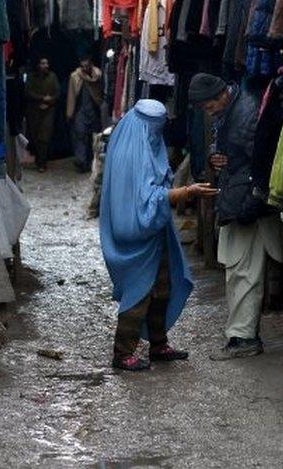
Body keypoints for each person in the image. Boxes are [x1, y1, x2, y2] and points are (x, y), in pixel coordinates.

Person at [99, 99, 217, 371]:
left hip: (155, 231)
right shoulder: (132, 154)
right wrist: (185, 193)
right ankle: (122, 352)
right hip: (135, 235)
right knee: (139, 291)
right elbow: (143, 203)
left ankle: (158, 343)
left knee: (163, 287)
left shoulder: (144, 143)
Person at [189, 73, 283, 360]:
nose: (210, 112)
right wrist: (216, 157)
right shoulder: (236, 109)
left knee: (243, 270)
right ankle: (241, 333)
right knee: (241, 269)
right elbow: (237, 154)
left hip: (247, 202)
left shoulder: (244, 114)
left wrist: (251, 204)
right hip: (242, 198)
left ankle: (243, 337)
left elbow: (261, 163)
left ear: (220, 96)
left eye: (209, 107)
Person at [66, 56, 104, 173]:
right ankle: (81, 161)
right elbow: (71, 95)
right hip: (80, 111)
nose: (85, 68)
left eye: (87, 66)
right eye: (83, 66)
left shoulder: (97, 75)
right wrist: (70, 112)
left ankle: (90, 161)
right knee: (80, 135)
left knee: (92, 137)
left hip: (93, 109)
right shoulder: (75, 76)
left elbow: (99, 92)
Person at [24, 57, 60, 172]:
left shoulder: (52, 77)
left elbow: (57, 92)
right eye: (43, 63)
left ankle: (42, 163)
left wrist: (49, 101)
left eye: (46, 63)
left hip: (48, 111)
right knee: (35, 137)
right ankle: (38, 159)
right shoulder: (31, 77)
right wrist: (41, 99)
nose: (45, 66)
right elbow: (28, 92)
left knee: (44, 138)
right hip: (34, 111)